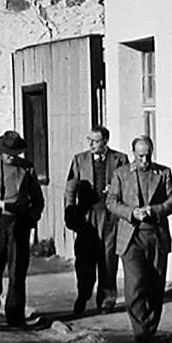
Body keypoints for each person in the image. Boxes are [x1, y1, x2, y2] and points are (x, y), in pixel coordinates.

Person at [105, 135, 172, 342]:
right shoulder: (121, 174)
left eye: (147, 156)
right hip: (131, 237)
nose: (145, 161)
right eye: (140, 156)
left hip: (156, 235)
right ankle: (140, 330)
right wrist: (131, 212)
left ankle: (151, 328)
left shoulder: (163, 173)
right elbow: (111, 201)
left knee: (156, 284)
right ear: (133, 154)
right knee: (135, 283)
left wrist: (155, 210)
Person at [0, 130, 44, 327]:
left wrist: (32, 217)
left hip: (18, 224)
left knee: (17, 272)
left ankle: (15, 315)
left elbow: (38, 199)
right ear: (2, 152)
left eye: (15, 154)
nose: (12, 157)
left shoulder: (27, 169)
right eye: (8, 154)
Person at [63, 126, 129, 316]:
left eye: (96, 141)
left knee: (108, 258)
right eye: (89, 140)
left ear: (105, 141)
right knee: (84, 260)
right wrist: (70, 211)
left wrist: (115, 189)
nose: (91, 144)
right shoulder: (79, 160)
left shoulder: (120, 159)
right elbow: (70, 189)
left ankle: (107, 299)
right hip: (87, 217)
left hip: (109, 216)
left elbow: (127, 184)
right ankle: (83, 295)